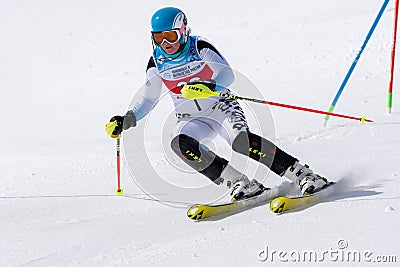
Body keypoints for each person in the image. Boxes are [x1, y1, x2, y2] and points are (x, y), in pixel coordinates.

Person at [105, 7, 330, 201]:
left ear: (183, 32)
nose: (165, 44)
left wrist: (210, 88)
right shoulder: (156, 62)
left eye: (171, 37)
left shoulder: (198, 47)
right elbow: (149, 98)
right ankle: (238, 182)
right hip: (190, 118)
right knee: (181, 145)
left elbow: (227, 74)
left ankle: (304, 175)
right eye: (158, 37)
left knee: (242, 143)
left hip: (221, 108)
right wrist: (127, 120)